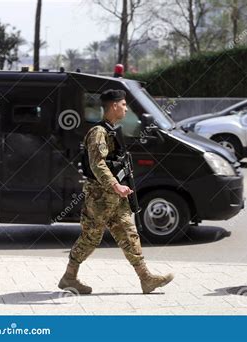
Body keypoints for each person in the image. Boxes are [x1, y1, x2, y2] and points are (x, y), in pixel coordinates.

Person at [58, 89, 174, 294]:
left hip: (116, 198)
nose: (126, 108)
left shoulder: (112, 130)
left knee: (129, 234)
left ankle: (146, 278)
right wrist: (115, 185)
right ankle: (69, 277)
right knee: (90, 238)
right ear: (113, 106)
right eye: (123, 104)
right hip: (100, 197)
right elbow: (97, 164)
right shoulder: (98, 133)